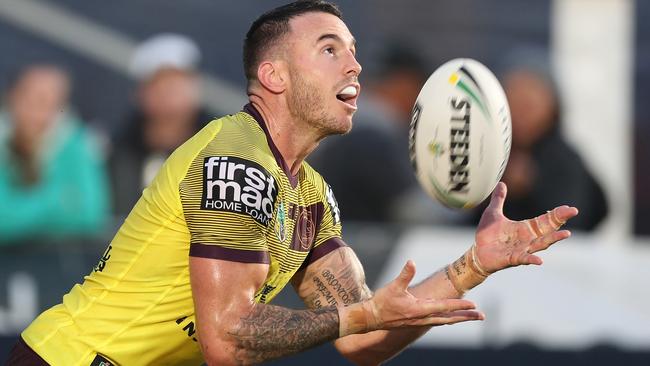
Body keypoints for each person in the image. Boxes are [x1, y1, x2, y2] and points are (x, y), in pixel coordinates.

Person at [7, 2, 578, 365]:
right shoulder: (233, 161)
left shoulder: (310, 196)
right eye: (330, 50)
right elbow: (227, 341)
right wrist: (362, 315)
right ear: (273, 76)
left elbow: (362, 339)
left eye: (353, 52)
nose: (354, 66)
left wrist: (471, 264)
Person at [469, 51, 607, 231]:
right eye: (514, 99)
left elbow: (574, 221)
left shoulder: (565, 160)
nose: (522, 111)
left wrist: (532, 186)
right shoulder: (480, 152)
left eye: (530, 103)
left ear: (552, 107)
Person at [0, 64, 109, 244]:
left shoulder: (76, 144)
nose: (36, 112)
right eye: (30, 99)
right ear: (12, 97)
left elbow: (91, 214)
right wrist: (57, 201)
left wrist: (17, 210)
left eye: (48, 104)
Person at [110, 34, 212, 216]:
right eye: (158, 83)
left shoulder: (224, 147)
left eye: (177, 81)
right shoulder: (118, 152)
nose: (168, 91)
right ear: (140, 93)